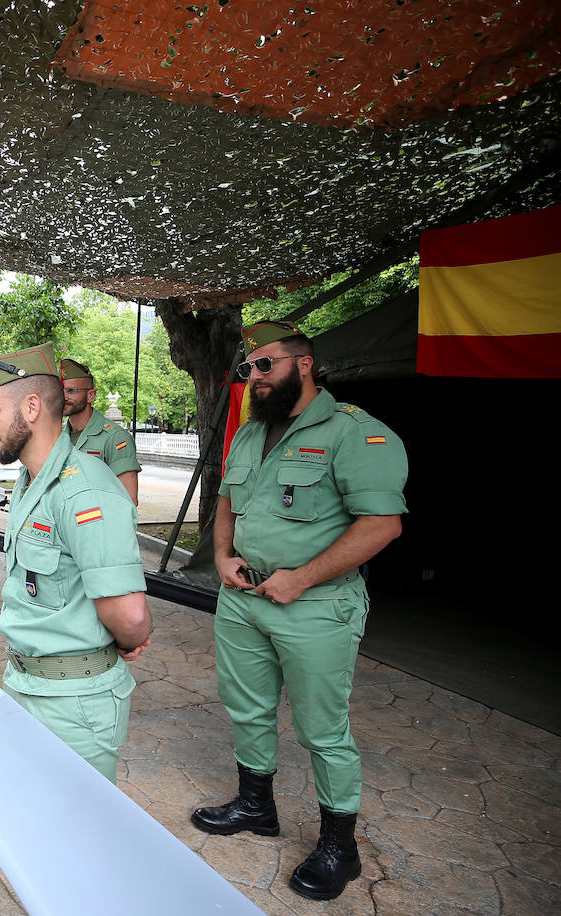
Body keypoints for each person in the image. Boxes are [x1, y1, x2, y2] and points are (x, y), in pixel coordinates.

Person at [191, 321, 407, 901]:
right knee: (247, 707)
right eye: (249, 368)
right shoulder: (249, 433)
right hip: (244, 598)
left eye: (265, 365)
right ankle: (256, 805)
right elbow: (229, 501)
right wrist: (221, 556)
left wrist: (303, 578)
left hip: (315, 606)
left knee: (323, 730)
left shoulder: (355, 434)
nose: (254, 377)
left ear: (304, 364)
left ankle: (341, 846)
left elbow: (382, 525)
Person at [0, 344, 151, 784]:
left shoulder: (84, 490)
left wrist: (132, 637)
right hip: (27, 684)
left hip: (74, 702)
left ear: (31, 407)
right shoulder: (30, 482)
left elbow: (128, 615)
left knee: (84, 840)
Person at [59, 358, 141, 505]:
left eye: (71, 391)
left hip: (97, 524)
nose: (64, 397)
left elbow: (128, 501)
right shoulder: (57, 437)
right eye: (60, 391)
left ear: (91, 395)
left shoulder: (115, 438)